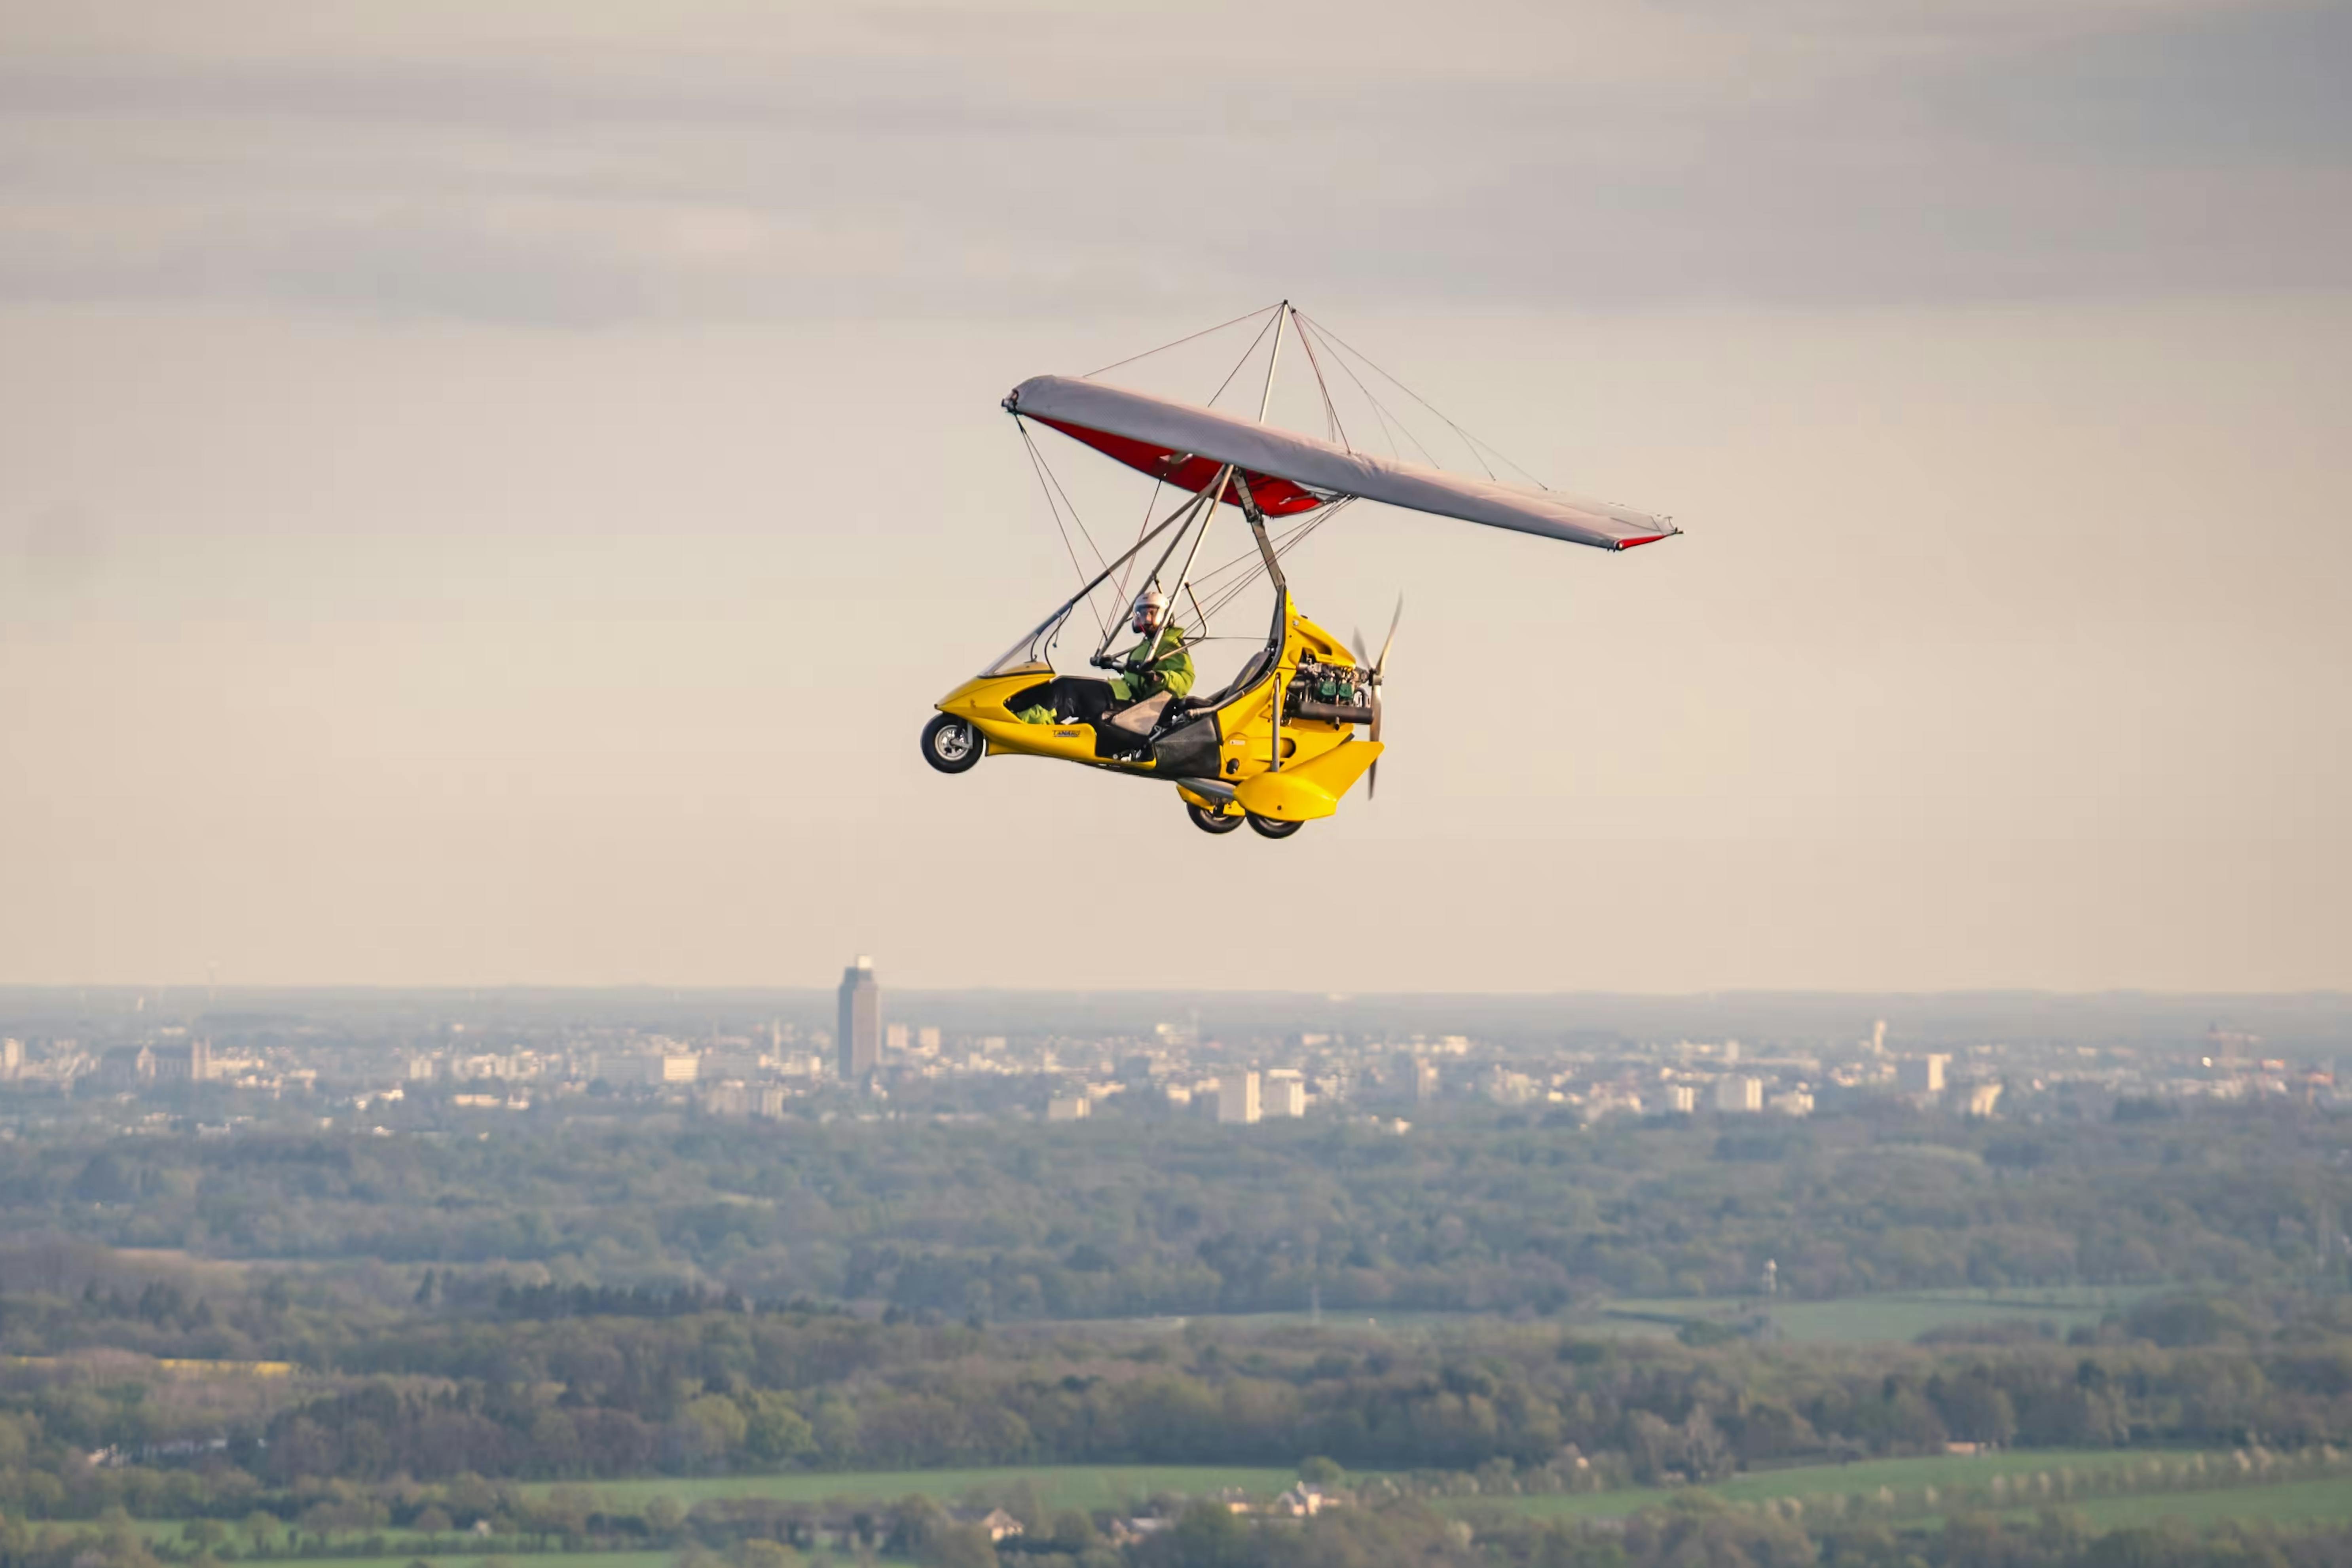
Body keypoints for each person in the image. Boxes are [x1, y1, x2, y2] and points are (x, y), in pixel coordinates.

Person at [1016, 589, 1194, 724]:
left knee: (1069, 691)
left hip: (1137, 705)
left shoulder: (1171, 643)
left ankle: (1026, 722)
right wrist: (1112, 665)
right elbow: (1135, 673)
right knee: (1058, 684)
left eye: (1151, 613)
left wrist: (1158, 677)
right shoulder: (1148, 643)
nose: (1146, 619)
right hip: (1122, 692)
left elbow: (1185, 679)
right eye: (1142, 614)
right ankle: (1012, 708)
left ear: (1164, 615)